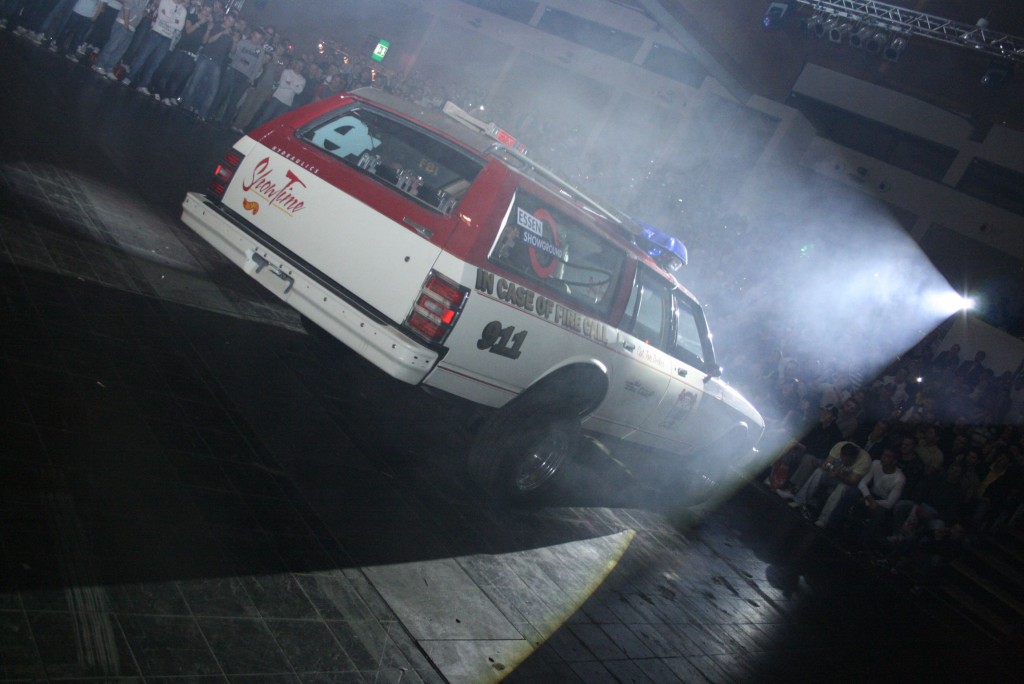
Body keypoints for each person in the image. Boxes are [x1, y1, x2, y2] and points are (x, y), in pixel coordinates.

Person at [786, 441, 871, 520]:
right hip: (836, 475)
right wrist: (830, 468)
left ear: (853, 458)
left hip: (851, 486)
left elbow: (853, 481)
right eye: (842, 458)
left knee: (841, 487)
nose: (843, 461)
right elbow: (827, 463)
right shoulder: (839, 447)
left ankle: (824, 519)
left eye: (846, 460)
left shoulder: (864, 460)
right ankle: (799, 500)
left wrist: (839, 475)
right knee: (819, 472)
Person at [177, 10, 233, 121]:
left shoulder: (230, 35)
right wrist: (222, 33)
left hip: (217, 63)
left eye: (232, 22)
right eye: (229, 20)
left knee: (212, 90)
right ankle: (186, 104)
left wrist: (234, 41)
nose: (230, 23)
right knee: (195, 81)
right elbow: (207, 41)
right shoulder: (215, 26)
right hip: (206, 58)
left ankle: (202, 112)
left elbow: (230, 53)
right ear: (225, 18)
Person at [148, 0, 208, 103]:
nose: (206, 13)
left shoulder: (206, 25)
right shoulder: (191, 16)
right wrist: (198, 23)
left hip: (191, 54)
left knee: (178, 77)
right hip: (180, 49)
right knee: (168, 72)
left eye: (208, 12)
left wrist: (209, 29)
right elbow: (188, 31)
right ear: (202, 8)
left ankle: (167, 96)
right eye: (205, 10)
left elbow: (204, 41)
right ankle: (158, 92)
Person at [123, 0, 187, 94]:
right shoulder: (165, 1)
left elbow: (180, 26)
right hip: (156, 33)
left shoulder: (183, 10)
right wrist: (174, 20)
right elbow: (161, 17)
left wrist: (167, 18)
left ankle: (143, 85)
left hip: (167, 38)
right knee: (141, 57)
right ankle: (129, 77)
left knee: (155, 63)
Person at [209, 25, 264, 125]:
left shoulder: (260, 50)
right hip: (234, 70)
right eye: (255, 37)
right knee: (222, 94)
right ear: (252, 35)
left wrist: (252, 79)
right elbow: (232, 55)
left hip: (245, 77)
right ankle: (210, 114)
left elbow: (258, 66)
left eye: (259, 38)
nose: (256, 40)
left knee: (234, 101)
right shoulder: (242, 43)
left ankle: (224, 122)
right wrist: (240, 58)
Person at [90, 0, 147, 77]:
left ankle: (109, 68)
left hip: (132, 27)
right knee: (112, 46)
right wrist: (126, 23)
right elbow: (126, 7)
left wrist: (143, 14)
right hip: (122, 23)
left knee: (120, 50)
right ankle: (99, 65)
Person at [247, 57, 304, 130]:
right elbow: (282, 84)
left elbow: (298, 91)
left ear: (303, 68)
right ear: (295, 64)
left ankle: (264, 135)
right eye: (298, 65)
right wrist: (294, 86)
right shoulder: (286, 71)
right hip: (277, 98)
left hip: (286, 103)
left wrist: (289, 83)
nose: (299, 67)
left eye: (301, 66)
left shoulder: (302, 80)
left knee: (274, 122)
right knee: (265, 116)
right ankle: (254, 131)